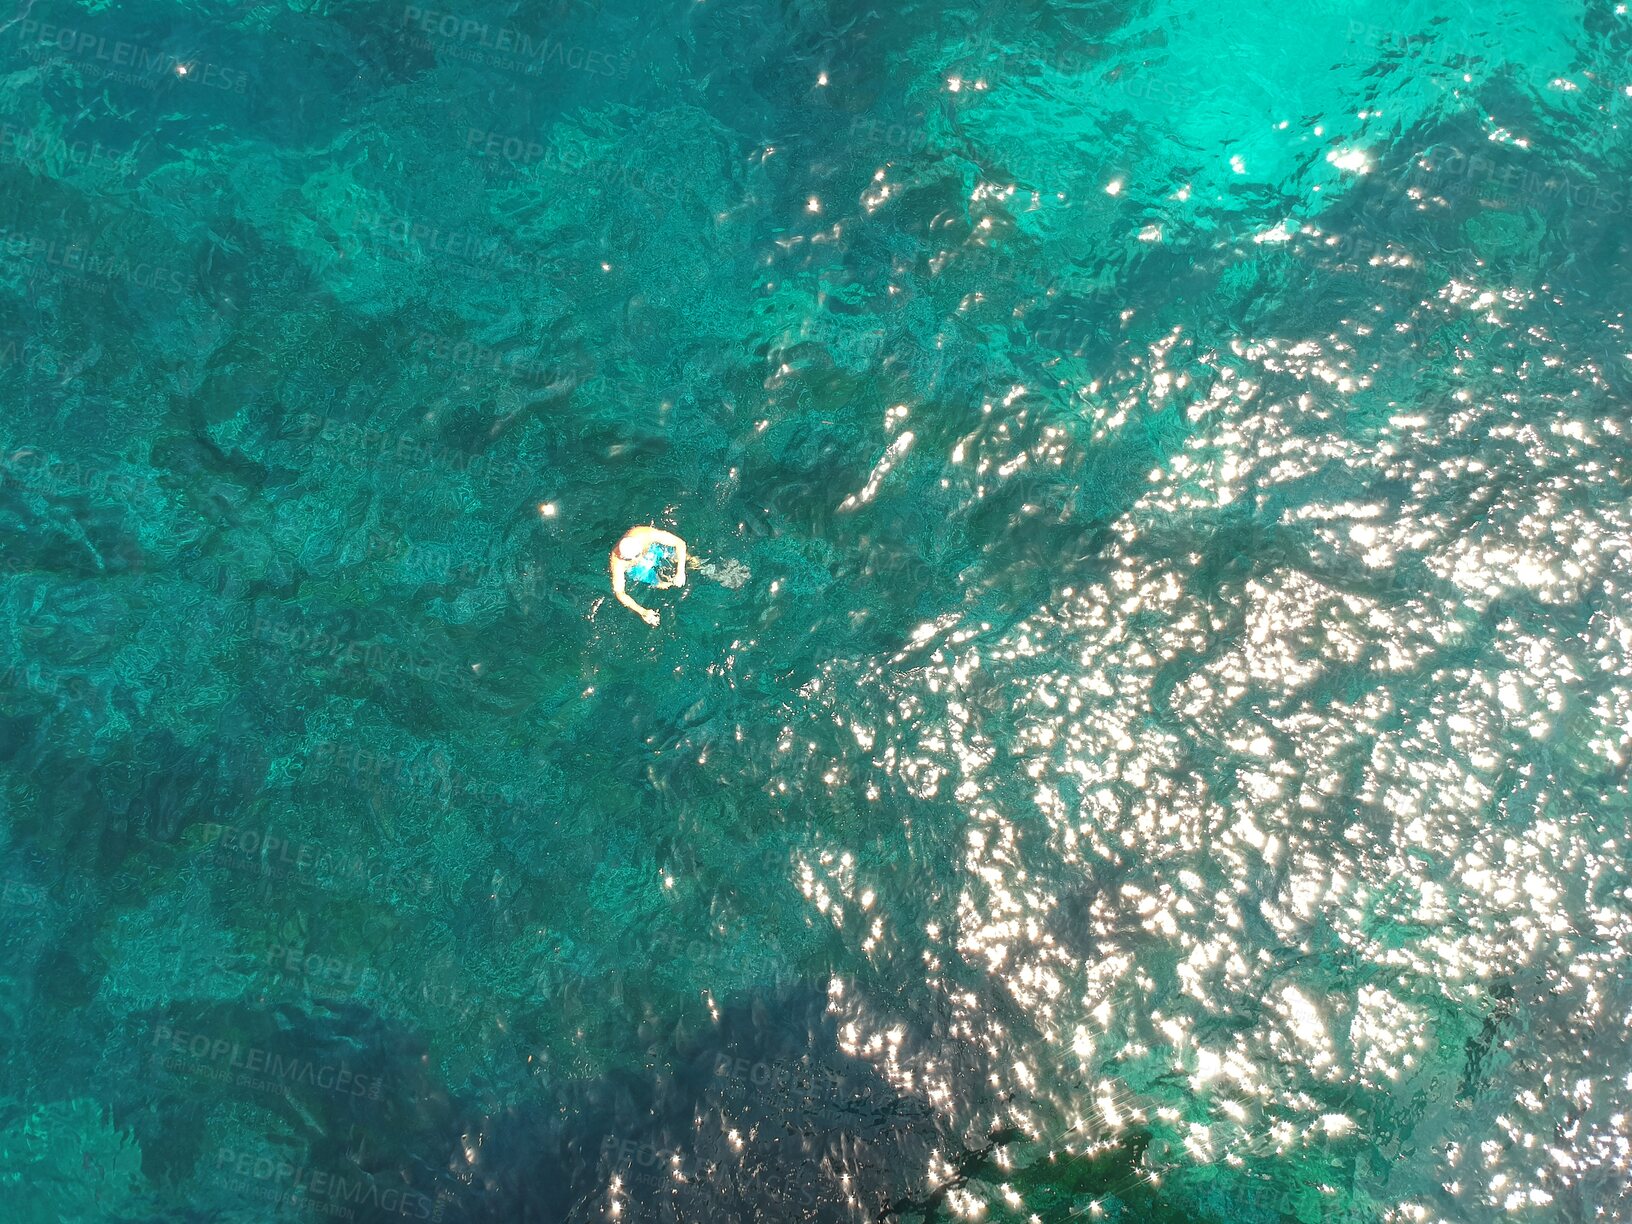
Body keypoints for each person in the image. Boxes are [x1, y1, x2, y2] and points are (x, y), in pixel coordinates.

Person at [610, 526, 689, 626]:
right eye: (631, 559)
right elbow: (619, 592)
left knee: (686, 558)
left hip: (652, 550)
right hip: (637, 568)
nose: (636, 559)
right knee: (662, 584)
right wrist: (643, 612)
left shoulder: (644, 534)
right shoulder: (618, 563)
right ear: (623, 557)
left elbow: (680, 543)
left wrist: (680, 571)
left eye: (637, 555)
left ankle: (705, 568)